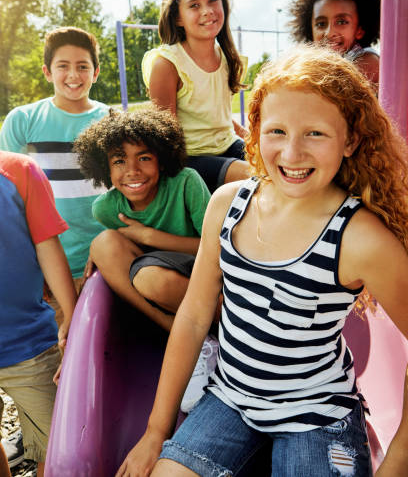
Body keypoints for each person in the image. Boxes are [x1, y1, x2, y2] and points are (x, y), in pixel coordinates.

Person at [116, 44, 408, 477]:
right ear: (254, 131)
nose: (291, 154)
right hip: (231, 398)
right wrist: (156, 431)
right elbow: (195, 317)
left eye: (315, 133)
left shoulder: (361, 238)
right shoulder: (228, 205)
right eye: (276, 132)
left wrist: (399, 460)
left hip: (318, 415)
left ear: (350, 140)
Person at [74, 106, 215, 411]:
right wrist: (98, 253)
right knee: (102, 243)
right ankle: (190, 339)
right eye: (119, 161)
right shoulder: (107, 208)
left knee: (153, 279)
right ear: (105, 169)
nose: (132, 170)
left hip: (201, 279)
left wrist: (151, 237)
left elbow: (217, 248)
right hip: (157, 291)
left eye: (144, 157)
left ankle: (206, 333)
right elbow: (118, 248)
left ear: (162, 161)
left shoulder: (186, 183)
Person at [0, 27, 108, 303]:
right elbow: (10, 202)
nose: (73, 75)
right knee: (60, 341)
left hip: (105, 263)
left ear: (95, 73)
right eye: (63, 66)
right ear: (47, 71)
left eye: (83, 66)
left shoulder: (111, 119)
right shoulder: (22, 121)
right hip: (48, 268)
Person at [0, 151, 77, 477]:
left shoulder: (19, 171)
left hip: (27, 342)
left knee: (60, 447)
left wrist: (72, 315)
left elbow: (48, 244)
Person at [141, 0, 249, 193]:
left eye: (212, 1)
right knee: (251, 174)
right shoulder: (168, 64)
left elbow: (217, 117)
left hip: (226, 145)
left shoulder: (227, 59)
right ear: (178, 17)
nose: (207, 11)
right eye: (194, 5)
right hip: (190, 157)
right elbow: (164, 136)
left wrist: (252, 139)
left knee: (273, 161)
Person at [288, 0, 381, 86]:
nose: (329, 32)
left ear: (359, 30)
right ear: (310, 30)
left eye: (342, 22)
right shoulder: (326, 64)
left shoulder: (367, 61)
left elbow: (333, 97)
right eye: (321, 24)